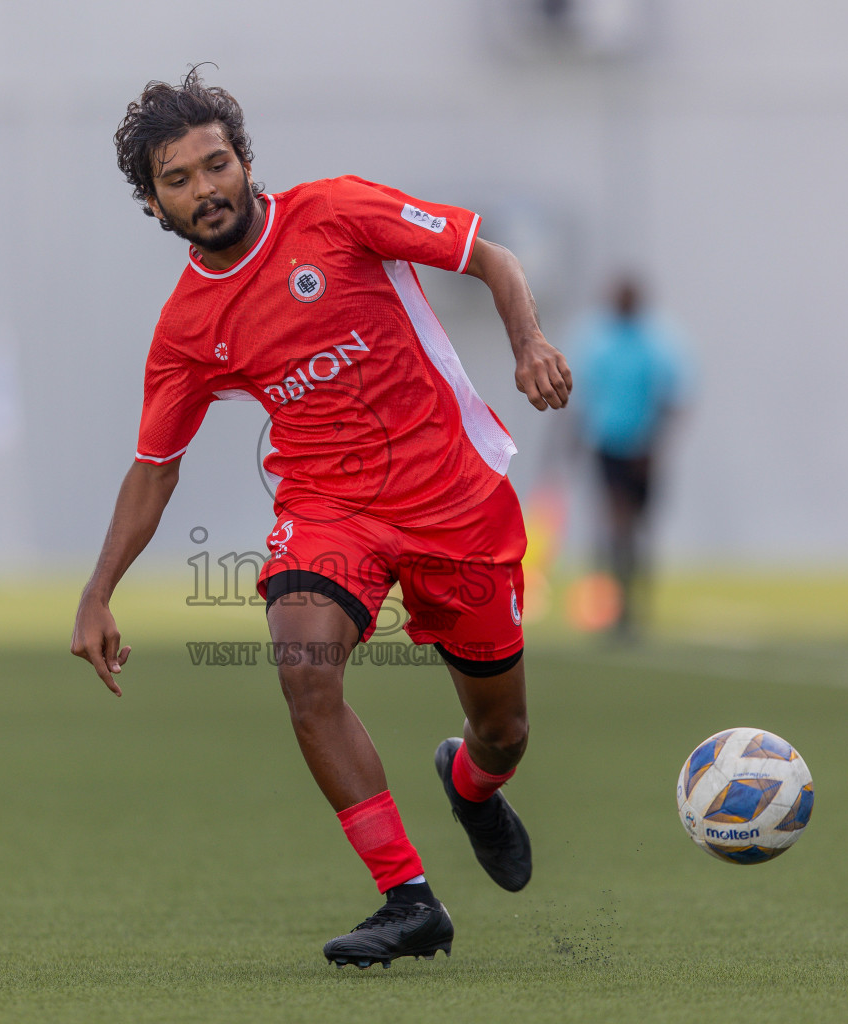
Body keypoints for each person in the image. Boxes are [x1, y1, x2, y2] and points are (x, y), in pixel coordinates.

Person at [71, 68, 572, 969]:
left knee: (505, 733)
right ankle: (409, 899)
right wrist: (98, 590)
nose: (204, 188)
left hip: (456, 499)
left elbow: (491, 257)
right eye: (177, 180)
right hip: (328, 509)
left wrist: (528, 342)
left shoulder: (337, 212)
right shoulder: (187, 328)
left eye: (215, 164)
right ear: (152, 204)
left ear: (245, 160)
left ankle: (469, 785)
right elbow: (155, 466)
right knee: (305, 674)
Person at [571, 274, 690, 639]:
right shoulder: (597, 340)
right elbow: (585, 394)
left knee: (638, 525)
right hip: (609, 444)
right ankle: (615, 604)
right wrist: (576, 437)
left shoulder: (658, 341)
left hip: (643, 448)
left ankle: (635, 603)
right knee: (616, 522)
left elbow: (673, 396)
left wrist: (656, 444)